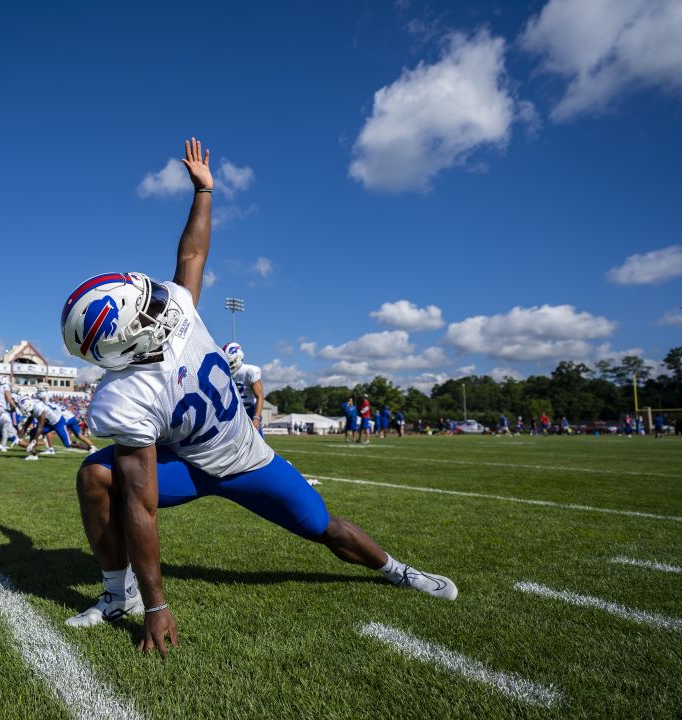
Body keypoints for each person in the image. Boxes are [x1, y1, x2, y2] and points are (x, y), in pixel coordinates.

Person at [58, 138, 457, 658]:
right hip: (191, 463)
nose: (158, 304)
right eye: (144, 313)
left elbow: (193, 252)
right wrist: (158, 605)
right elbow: (141, 505)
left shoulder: (174, 309)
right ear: (127, 345)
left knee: (324, 527)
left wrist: (204, 192)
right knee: (95, 475)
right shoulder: (124, 398)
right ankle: (120, 597)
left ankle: (396, 570)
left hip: (248, 458)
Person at [222, 342, 265, 435]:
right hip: (235, 413)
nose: (229, 366)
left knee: (257, 446)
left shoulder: (250, 371)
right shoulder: (225, 374)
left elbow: (260, 396)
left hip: (250, 411)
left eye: (231, 362)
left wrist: (256, 417)